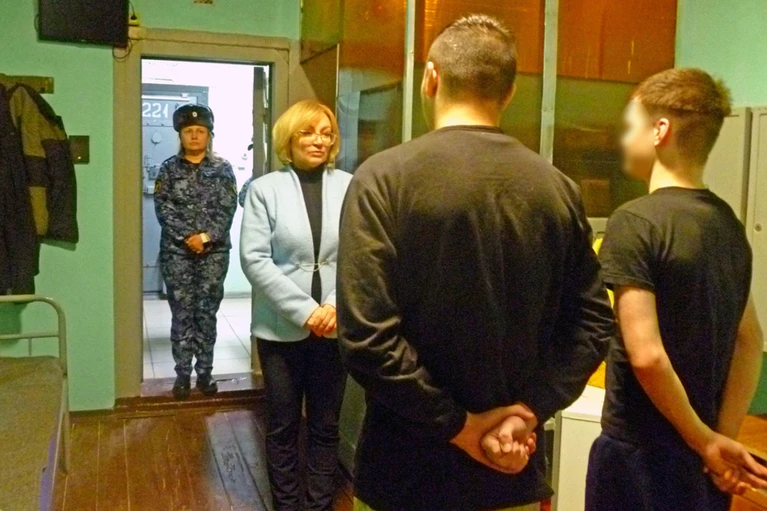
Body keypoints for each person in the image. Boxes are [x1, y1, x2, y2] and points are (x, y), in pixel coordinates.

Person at [337, 14, 615, 511]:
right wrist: (528, 411)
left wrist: (461, 427)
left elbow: (367, 338)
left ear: (431, 77)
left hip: (403, 476)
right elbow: (593, 323)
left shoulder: (382, 179)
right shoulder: (556, 188)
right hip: (511, 469)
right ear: (509, 92)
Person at [585, 68, 767, 511]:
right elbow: (750, 340)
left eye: (630, 126)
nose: (623, 139)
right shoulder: (728, 225)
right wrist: (719, 438)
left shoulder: (635, 222)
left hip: (639, 455)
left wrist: (705, 440)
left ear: (660, 131)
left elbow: (646, 355)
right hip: (701, 462)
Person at [240, 100, 352, 511]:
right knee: (283, 426)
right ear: (289, 139)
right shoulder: (264, 190)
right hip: (280, 329)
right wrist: (306, 311)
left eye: (326, 133)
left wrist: (334, 306)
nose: (319, 140)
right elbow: (254, 259)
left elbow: (359, 254)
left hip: (335, 326)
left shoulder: (351, 185)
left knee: (326, 425)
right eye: (308, 132)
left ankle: (319, 505)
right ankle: (286, 505)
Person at [154, 104, 237, 400]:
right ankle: (182, 376)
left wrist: (205, 237)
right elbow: (163, 208)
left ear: (209, 135)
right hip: (177, 253)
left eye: (200, 131)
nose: (194, 136)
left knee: (206, 313)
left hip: (213, 253)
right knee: (181, 314)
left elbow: (227, 208)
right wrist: (187, 238)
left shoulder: (223, 169)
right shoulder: (168, 169)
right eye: (188, 131)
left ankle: (205, 373)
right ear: (180, 135)